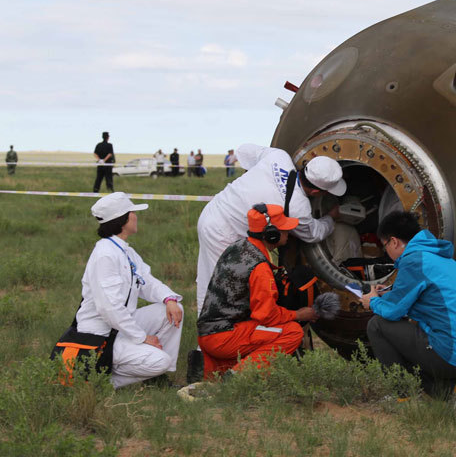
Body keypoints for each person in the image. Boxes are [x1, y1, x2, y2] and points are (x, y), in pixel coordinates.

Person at [190, 143, 346, 382]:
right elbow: (313, 233)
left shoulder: (279, 156)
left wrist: (253, 184)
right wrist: (331, 219)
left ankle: (220, 356)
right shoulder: (298, 207)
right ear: (317, 192)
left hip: (214, 212)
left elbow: (243, 150)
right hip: (225, 233)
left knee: (209, 288)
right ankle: (209, 363)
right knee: (217, 293)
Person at [360, 212, 456, 400]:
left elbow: (394, 311)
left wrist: (372, 301)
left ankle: (403, 396)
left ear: (393, 242)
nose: (386, 252)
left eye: (384, 245)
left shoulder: (414, 261)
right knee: (411, 332)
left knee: (377, 325)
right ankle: (451, 390)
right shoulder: (441, 258)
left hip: (450, 354)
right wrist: (388, 294)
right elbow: (426, 297)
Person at [76, 192, 183, 387]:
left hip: (120, 325)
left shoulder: (124, 250)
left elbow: (147, 282)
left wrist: (169, 299)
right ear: (123, 220)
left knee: (173, 311)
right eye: (132, 212)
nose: (136, 216)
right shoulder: (105, 254)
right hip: (101, 334)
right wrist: (142, 338)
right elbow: (109, 309)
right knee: (161, 360)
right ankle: (103, 383)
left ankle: (155, 377)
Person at [197, 204, 317, 378]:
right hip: (224, 337)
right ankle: (238, 377)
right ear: (271, 235)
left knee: (265, 334)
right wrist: (298, 315)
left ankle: (213, 367)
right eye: (284, 229)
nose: (289, 233)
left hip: (209, 334)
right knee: (292, 332)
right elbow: (266, 316)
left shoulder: (238, 246)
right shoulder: (259, 268)